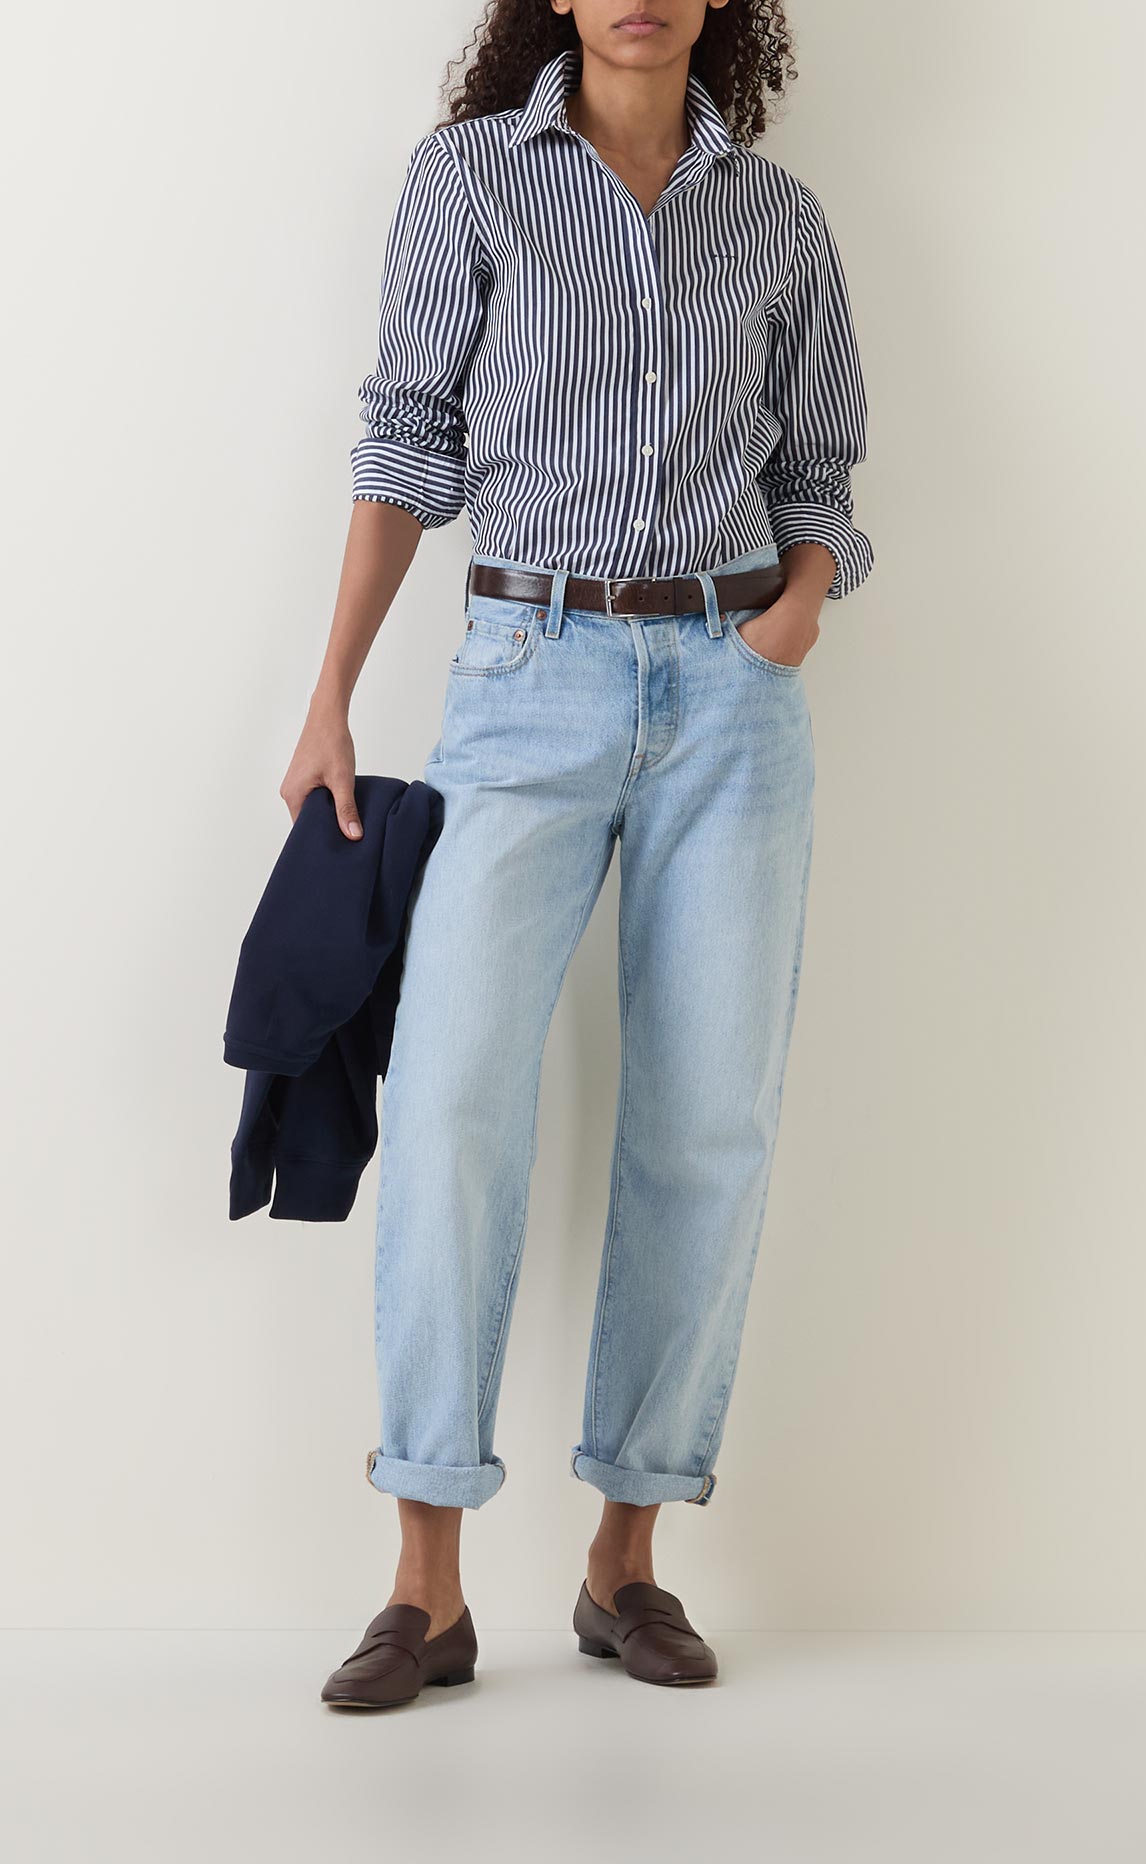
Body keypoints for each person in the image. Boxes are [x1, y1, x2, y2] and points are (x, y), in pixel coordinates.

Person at [282, 0, 872, 1707]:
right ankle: (427, 1584)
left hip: (730, 698)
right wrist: (330, 696)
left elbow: (823, 477)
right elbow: (407, 441)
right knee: (451, 1101)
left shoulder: (779, 218)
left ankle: (627, 1560)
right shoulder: (469, 179)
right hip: (524, 679)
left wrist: (795, 613)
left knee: (706, 1121)